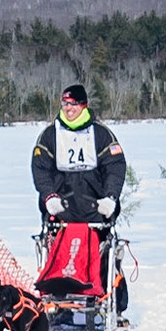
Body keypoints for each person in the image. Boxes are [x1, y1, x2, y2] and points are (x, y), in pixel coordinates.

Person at [31, 84, 126, 225]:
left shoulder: (101, 134)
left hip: (96, 209)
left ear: (84, 105)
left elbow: (114, 166)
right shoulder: (49, 135)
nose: (68, 108)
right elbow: (40, 168)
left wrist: (110, 196)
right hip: (60, 209)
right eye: (65, 103)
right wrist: (49, 196)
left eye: (73, 103)